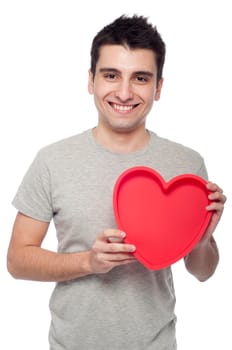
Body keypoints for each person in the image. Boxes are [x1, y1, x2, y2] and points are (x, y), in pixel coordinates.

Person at [7, 15, 226, 350]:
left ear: (159, 87)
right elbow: (17, 261)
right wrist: (88, 262)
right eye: (111, 75)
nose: (124, 92)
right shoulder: (52, 160)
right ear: (91, 80)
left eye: (140, 78)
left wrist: (202, 240)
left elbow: (203, 271)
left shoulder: (187, 165)